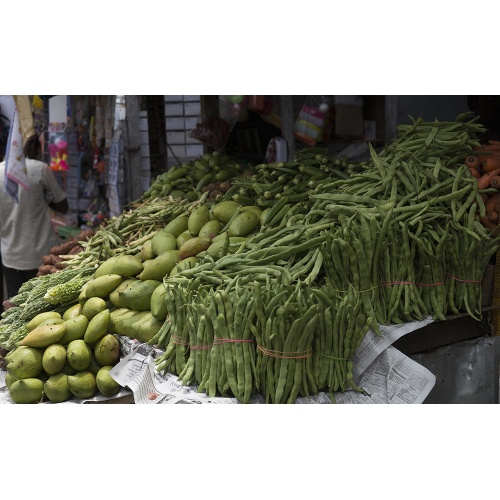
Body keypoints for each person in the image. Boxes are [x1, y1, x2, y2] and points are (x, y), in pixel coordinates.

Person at [0, 136, 69, 300]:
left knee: (16, 309)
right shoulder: (40, 169)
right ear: (37, 149)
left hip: (10, 255)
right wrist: (44, 196)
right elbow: (63, 206)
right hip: (40, 255)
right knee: (42, 305)